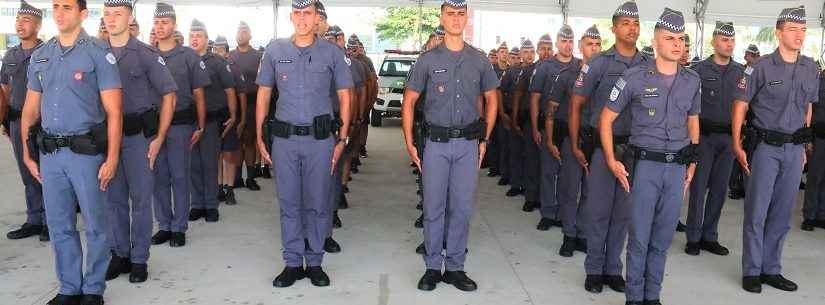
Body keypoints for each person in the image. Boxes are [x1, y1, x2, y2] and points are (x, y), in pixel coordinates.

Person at [21, 0, 123, 303]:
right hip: (50, 155)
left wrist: (113, 157)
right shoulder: (41, 55)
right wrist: (27, 151)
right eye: (55, 6)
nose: (59, 13)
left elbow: (115, 111)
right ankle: (69, 288)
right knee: (60, 225)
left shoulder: (98, 53)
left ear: (82, 14)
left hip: (86, 155)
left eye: (66, 7)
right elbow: (30, 107)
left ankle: (93, 289)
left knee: (95, 225)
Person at [602, 8, 700, 305]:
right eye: (669, 38)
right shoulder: (634, 78)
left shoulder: (692, 80)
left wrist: (693, 160)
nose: (676, 44)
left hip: (676, 168)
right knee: (640, 237)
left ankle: (652, 296)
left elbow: (693, 120)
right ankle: (634, 298)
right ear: (656, 41)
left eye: (681, 38)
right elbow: (605, 119)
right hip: (644, 167)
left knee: (663, 238)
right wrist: (610, 160)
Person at [255, 0, 354, 288]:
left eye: (307, 13)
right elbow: (263, 93)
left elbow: (345, 97)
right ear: (291, 17)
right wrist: (260, 134)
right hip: (284, 140)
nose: (302, 19)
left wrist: (343, 138)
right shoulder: (275, 50)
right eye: (297, 13)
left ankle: (314, 262)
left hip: (320, 141)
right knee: (288, 201)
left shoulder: (332, 53)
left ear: (316, 17)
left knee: (317, 201)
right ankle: (291, 262)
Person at [402, 0, 499, 292]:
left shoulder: (479, 60)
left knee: (461, 208)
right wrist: (409, 141)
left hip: (468, 144)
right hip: (436, 144)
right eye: (450, 14)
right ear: (442, 17)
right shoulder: (427, 60)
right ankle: (433, 267)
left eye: (460, 14)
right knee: (433, 206)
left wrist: (486, 139)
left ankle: (455, 267)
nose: (456, 19)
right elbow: (409, 102)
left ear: (466, 18)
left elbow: (493, 99)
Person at [735, 5, 818, 294]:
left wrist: (805, 140)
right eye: (794, 30)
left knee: (783, 212)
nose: (799, 35)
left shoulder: (810, 67)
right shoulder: (761, 67)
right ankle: (751, 270)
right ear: (780, 32)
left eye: (803, 30)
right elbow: (741, 105)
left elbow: (807, 104)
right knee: (757, 210)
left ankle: (771, 268)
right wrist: (737, 143)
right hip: (765, 148)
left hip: (793, 151)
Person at [570, 0, 650, 294]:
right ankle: (593, 269)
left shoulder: (648, 65)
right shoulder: (598, 63)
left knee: (623, 213)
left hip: (635, 150)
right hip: (603, 148)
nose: (632, 28)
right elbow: (577, 105)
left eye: (636, 24)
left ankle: (613, 269)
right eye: (626, 24)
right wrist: (578, 143)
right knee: (599, 210)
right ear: (615, 28)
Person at [101, 0, 177, 284]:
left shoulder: (144, 54)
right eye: (107, 14)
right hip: (107, 140)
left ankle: (139, 258)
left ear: (129, 17)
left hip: (137, 139)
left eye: (117, 14)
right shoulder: (96, 53)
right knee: (112, 199)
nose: (111, 19)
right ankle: (119, 254)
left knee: (141, 200)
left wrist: (159, 138)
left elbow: (169, 94)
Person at [150, 2, 210, 248]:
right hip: (153, 127)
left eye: (165, 22)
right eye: (156, 22)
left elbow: (198, 94)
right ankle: (164, 225)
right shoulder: (147, 54)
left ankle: (179, 227)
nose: (160, 27)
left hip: (181, 125)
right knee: (158, 176)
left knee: (179, 175)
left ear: (173, 25)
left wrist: (201, 126)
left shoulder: (188, 56)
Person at [684, 21, 743, 256]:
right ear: (713, 41)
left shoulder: (741, 72)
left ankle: (710, 236)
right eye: (724, 40)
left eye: (731, 40)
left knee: (719, 189)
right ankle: (693, 237)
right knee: (699, 188)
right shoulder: (698, 70)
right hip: (705, 138)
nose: (728, 44)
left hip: (728, 139)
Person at [547, 24, 602, 256]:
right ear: (581, 46)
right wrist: (550, 140)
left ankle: (581, 233)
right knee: (570, 190)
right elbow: (551, 109)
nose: (595, 49)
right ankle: (569, 235)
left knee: (591, 192)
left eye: (598, 44)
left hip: (596, 143)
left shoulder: (605, 77)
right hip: (572, 140)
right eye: (590, 44)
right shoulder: (567, 76)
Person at [1, 0, 48, 242]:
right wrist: (5, 120)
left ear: (38, 26)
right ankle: (34, 219)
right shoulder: (10, 54)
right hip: (17, 121)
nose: (20, 24)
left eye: (26, 20)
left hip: (43, 123)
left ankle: (52, 221)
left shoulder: (48, 52)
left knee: (46, 172)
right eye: (18, 19)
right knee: (26, 172)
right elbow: (5, 89)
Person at [529, 26, 580, 231]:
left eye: (570, 41)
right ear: (557, 43)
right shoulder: (545, 66)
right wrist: (534, 128)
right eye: (564, 41)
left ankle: (564, 214)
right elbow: (535, 98)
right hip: (550, 125)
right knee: (549, 172)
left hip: (572, 128)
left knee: (568, 176)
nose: (567, 45)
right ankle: (549, 212)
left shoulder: (580, 66)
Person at [187, 19, 237, 223]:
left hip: (210, 121)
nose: (194, 39)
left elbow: (230, 90)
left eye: (198, 36)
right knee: (193, 165)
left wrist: (233, 116)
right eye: (191, 36)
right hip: (188, 122)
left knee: (209, 164)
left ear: (206, 40)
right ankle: (197, 204)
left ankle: (210, 204)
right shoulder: (184, 59)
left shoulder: (217, 62)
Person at [230, 21, 265, 190]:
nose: (240, 34)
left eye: (244, 31)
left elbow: (264, 83)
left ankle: (250, 177)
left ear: (250, 36)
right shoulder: (230, 56)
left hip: (252, 103)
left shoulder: (258, 56)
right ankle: (237, 177)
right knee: (235, 142)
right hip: (234, 104)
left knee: (250, 141)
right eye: (238, 31)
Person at [214, 35, 247, 206]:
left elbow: (241, 96)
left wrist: (241, 120)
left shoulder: (234, 69)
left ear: (227, 53)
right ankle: (219, 187)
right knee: (217, 154)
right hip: (215, 116)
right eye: (215, 49)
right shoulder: (210, 67)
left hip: (230, 116)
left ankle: (230, 189)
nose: (217, 52)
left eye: (220, 49)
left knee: (229, 154)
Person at [729, 44, 762, 200]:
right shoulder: (743, 72)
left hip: (752, 119)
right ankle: (735, 186)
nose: (749, 57)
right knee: (739, 155)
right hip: (743, 118)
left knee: (749, 156)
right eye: (750, 54)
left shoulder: (758, 71)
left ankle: (744, 186)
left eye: (753, 55)